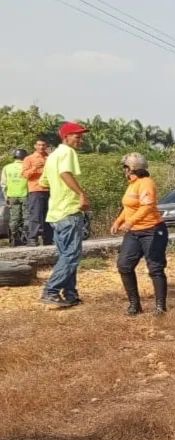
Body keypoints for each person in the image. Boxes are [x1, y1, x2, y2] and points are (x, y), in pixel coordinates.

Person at [39, 122, 91, 308]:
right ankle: (50, 291)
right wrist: (81, 194)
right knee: (71, 256)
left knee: (66, 256)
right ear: (66, 137)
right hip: (69, 211)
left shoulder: (52, 156)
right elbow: (65, 173)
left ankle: (70, 293)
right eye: (77, 136)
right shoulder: (68, 152)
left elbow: (43, 182)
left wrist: (58, 190)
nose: (80, 140)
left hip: (55, 213)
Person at [111, 152, 169, 315]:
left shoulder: (146, 183)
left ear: (132, 168)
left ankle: (160, 307)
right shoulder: (132, 184)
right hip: (134, 232)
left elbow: (147, 206)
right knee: (124, 265)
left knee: (155, 268)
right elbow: (129, 207)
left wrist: (130, 222)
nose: (124, 171)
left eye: (125, 168)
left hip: (152, 230)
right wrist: (119, 221)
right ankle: (134, 305)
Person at [21, 137, 53, 246]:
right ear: (35, 146)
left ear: (46, 146)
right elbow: (25, 175)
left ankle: (48, 239)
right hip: (36, 190)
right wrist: (35, 167)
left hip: (49, 190)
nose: (41, 147)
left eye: (43, 145)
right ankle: (32, 239)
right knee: (35, 215)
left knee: (49, 215)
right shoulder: (29, 159)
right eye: (39, 145)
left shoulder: (49, 158)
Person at [1, 149, 29, 246]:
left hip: (12, 195)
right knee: (27, 217)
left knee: (14, 218)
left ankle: (13, 238)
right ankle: (25, 238)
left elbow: (3, 185)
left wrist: (6, 198)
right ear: (25, 157)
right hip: (26, 194)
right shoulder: (27, 167)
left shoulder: (7, 168)